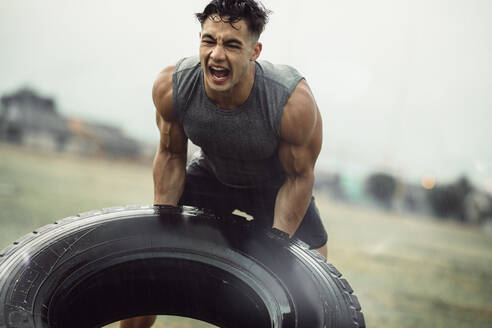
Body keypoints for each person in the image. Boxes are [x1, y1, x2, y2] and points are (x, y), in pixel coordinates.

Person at [120, 1, 327, 327]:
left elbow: (300, 176)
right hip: (212, 175)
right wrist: (164, 230)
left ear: (254, 51)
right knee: (152, 264)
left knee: (315, 292)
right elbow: (172, 154)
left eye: (231, 45)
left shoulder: (290, 102)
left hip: (276, 187)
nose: (217, 54)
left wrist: (277, 246)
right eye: (209, 40)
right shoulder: (174, 86)